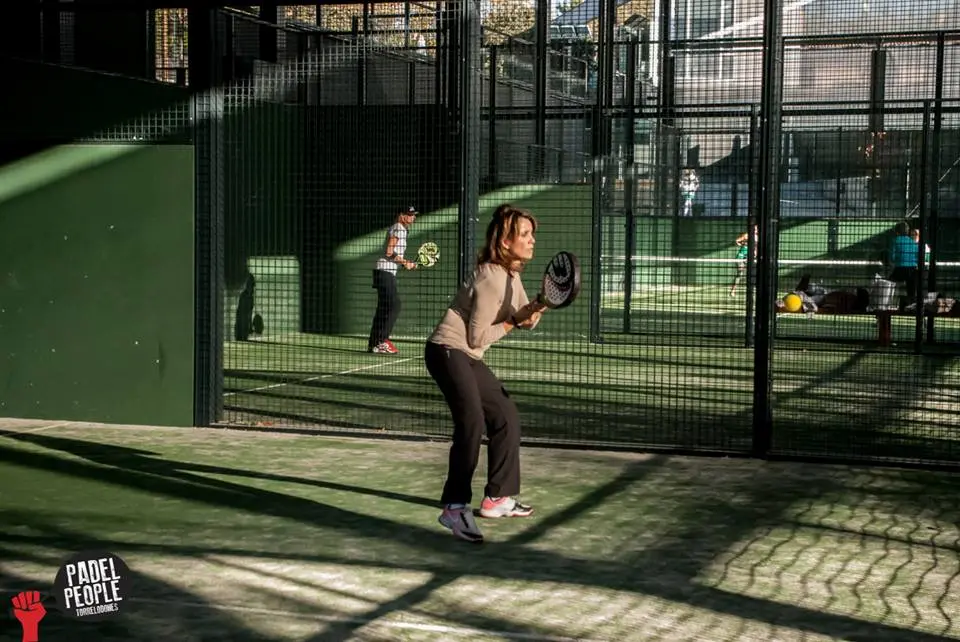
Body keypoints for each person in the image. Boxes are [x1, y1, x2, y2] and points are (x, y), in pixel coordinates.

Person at [424, 204, 547, 543]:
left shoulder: (511, 275)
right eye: (524, 234)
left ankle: (497, 498)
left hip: (467, 356)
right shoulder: (492, 277)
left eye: (531, 234)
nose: (532, 240)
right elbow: (479, 336)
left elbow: (524, 317)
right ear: (505, 243)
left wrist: (538, 305)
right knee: (472, 421)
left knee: (505, 413)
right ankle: (453, 507)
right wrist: (513, 321)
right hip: (447, 350)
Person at [368, 206, 418, 354]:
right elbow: (389, 251)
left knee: (383, 308)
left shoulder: (400, 229)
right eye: (409, 215)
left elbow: (392, 254)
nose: (412, 217)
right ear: (401, 215)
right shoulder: (398, 228)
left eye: (414, 215)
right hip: (384, 272)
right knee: (394, 305)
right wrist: (405, 263)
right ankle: (382, 341)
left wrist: (407, 263)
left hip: (383, 271)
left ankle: (374, 344)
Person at [888, 221, 918, 306]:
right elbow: (917, 257)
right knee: (911, 290)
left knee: (888, 283)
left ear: (897, 232)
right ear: (907, 231)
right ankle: (912, 305)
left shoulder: (895, 241)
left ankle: (889, 302)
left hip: (900, 269)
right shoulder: (913, 242)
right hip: (912, 270)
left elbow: (892, 257)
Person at [729, 224, 757, 297]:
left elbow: (756, 248)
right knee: (740, 273)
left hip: (750, 258)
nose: (756, 230)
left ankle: (751, 290)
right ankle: (733, 291)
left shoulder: (757, 237)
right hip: (741, 257)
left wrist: (755, 254)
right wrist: (742, 244)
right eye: (754, 228)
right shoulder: (746, 235)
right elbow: (737, 241)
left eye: (757, 229)